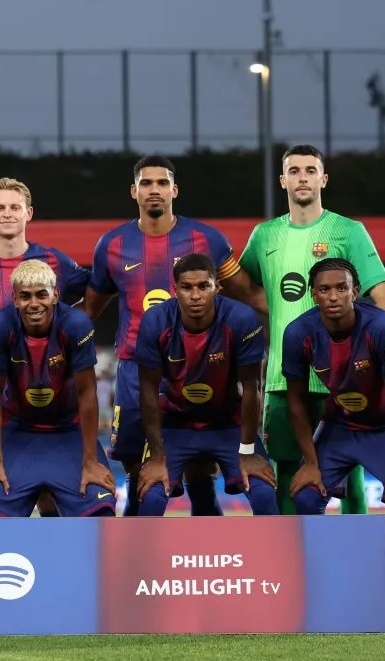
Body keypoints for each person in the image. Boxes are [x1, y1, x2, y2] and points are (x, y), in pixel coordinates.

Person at [83, 154, 267, 516]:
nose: (155, 190)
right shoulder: (112, 244)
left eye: (162, 183)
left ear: (174, 190)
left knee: (199, 467)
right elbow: (89, 309)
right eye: (147, 183)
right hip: (137, 370)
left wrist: (304, 314)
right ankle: (135, 556)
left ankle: (202, 553)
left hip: (200, 370)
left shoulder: (207, 239)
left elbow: (250, 294)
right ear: (134, 191)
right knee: (141, 470)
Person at [239, 144, 385, 515]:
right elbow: (241, 287)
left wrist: (370, 349)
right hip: (283, 377)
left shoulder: (348, 231)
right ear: (282, 180)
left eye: (310, 171)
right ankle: (286, 566)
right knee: (285, 470)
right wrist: (271, 310)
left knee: (350, 476)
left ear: (323, 179)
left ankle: (354, 565)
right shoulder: (264, 236)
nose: (303, 178)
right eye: (294, 171)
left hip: (341, 378)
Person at [284, 258, 385, 631]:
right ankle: (318, 594)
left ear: (355, 290)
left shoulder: (384, 327)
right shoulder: (298, 332)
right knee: (306, 496)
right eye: (325, 289)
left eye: (341, 288)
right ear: (313, 294)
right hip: (340, 425)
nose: (333, 296)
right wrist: (311, 462)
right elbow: (297, 401)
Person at [0, 177, 90, 516]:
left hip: (48, 397)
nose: (7, 213)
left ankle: (49, 564)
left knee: (50, 495)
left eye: (14, 207)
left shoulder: (56, 262)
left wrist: (69, 332)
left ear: (29, 214)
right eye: (0, 208)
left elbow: (96, 293)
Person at [134, 253, 277, 516]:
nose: (195, 295)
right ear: (174, 290)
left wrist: (247, 451)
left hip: (228, 425)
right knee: (151, 497)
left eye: (204, 286)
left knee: (265, 492)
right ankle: (147, 558)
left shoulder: (242, 319)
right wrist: (156, 456)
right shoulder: (155, 321)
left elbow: (252, 387)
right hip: (174, 426)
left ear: (217, 287)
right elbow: (148, 390)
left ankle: (271, 557)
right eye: (187, 287)